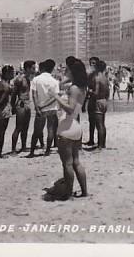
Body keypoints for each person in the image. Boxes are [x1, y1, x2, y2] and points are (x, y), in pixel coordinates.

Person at [47, 59, 88, 198]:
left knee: (67, 164)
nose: (64, 71)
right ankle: (84, 192)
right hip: (76, 127)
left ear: (72, 71)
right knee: (76, 162)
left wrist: (56, 97)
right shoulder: (82, 88)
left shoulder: (73, 88)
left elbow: (69, 109)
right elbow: (74, 108)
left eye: (67, 70)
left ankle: (67, 193)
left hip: (66, 126)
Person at [29, 59, 59, 156]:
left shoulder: (36, 79)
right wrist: (46, 104)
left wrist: (38, 107)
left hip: (40, 108)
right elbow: (55, 97)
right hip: (52, 108)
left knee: (37, 131)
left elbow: (33, 95)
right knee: (50, 130)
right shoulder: (55, 81)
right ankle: (47, 151)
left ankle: (32, 152)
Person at [10, 60, 36, 153]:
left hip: (27, 104)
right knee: (18, 127)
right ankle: (13, 149)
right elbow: (14, 94)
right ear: (28, 68)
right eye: (33, 68)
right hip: (21, 104)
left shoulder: (28, 78)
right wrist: (12, 107)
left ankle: (23, 146)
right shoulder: (19, 79)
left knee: (25, 127)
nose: (34, 69)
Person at [92, 60, 109, 149]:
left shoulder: (97, 78)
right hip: (104, 101)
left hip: (98, 101)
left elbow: (96, 92)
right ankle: (103, 144)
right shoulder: (105, 78)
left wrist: (90, 92)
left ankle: (99, 145)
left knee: (99, 125)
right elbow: (108, 92)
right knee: (103, 123)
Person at [83, 57, 99, 147]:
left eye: (94, 63)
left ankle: (100, 142)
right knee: (91, 121)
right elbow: (86, 88)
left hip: (97, 99)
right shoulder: (90, 75)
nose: (92, 65)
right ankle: (92, 139)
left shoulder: (98, 75)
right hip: (92, 100)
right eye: (91, 63)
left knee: (99, 122)